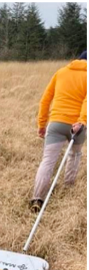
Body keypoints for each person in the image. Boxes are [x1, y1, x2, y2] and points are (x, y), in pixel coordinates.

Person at [30, 51, 87, 212]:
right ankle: (68, 188)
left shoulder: (61, 72)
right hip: (77, 126)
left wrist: (41, 124)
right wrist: (82, 121)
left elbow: (45, 99)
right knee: (74, 155)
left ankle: (37, 197)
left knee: (48, 161)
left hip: (55, 124)